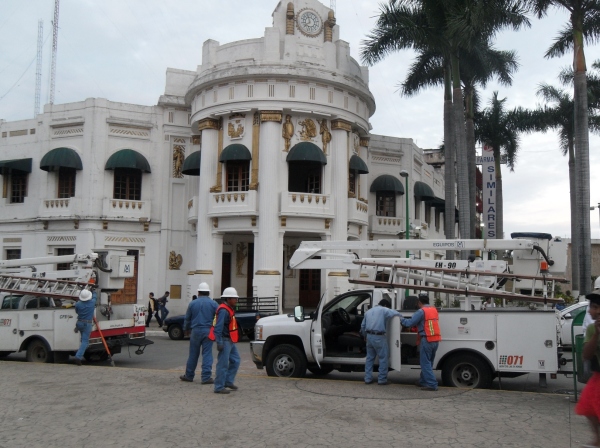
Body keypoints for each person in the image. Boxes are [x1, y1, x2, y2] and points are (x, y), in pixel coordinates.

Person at [400, 293, 442, 391]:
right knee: (429, 362)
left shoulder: (421, 311)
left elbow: (409, 323)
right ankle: (423, 381)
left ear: (419, 303)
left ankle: (432, 384)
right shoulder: (433, 310)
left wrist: (400, 318)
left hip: (427, 339)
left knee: (425, 363)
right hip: (435, 339)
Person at [575, 288, 600, 447]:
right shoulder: (592, 329)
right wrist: (596, 334)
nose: (591, 310)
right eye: (591, 307)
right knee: (588, 406)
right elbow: (586, 355)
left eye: (595, 307)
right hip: (597, 375)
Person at [179, 283, 218, 384]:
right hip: (208, 331)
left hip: (195, 331)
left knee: (193, 354)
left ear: (198, 292)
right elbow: (218, 317)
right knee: (207, 354)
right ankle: (206, 377)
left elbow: (187, 318)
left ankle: (189, 375)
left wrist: (186, 329)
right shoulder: (213, 304)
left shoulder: (193, 303)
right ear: (208, 292)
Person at [360, 298, 402, 385]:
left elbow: (362, 326)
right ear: (386, 305)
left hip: (369, 337)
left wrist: (365, 336)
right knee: (383, 358)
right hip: (379, 337)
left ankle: (367, 378)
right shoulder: (384, 310)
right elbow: (397, 313)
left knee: (369, 359)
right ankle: (382, 379)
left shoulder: (368, 311)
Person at [210, 287, 241, 394]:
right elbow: (218, 328)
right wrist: (219, 342)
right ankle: (219, 387)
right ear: (228, 299)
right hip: (225, 340)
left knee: (236, 360)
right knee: (222, 365)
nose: (236, 300)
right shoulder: (223, 310)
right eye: (234, 299)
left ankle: (228, 381)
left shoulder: (228, 309)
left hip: (230, 340)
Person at [73, 289, 97, 366]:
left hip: (79, 322)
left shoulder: (78, 304)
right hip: (87, 323)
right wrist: (94, 290)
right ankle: (78, 356)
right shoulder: (92, 303)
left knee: (83, 339)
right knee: (85, 342)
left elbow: (76, 311)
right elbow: (95, 297)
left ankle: (80, 350)